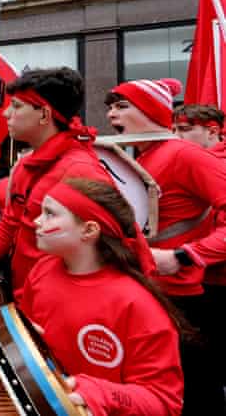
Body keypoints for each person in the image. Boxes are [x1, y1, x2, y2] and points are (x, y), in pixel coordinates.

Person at [0, 68, 110, 304]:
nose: (6, 113)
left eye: (16, 106)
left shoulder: (81, 170)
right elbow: (9, 226)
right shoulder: (26, 166)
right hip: (25, 298)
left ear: (44, 115)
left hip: (58, 308)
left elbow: (113, 250)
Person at [106, 79, 226, 414]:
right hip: (146, 291)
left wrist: (186, 255)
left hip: (181, 300)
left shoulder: (184, 154)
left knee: (197, 391)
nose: (111, 113)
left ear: (150, 111)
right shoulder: (141, 157)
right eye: (111, 106)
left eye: (122, 106)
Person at [22, 178, 183, 415]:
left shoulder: (138, 305)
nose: (36, 221)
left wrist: (101, 394)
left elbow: (164, 402)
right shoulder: (41, 271)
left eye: (50, 214)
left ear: (89, 230)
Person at [172, 104, 226, 385]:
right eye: (174, 130)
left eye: (185, 130)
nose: (176, 136)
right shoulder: (182, 161)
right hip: (194, 278)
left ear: (212, 131)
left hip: (216, 280)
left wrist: (189, 252)